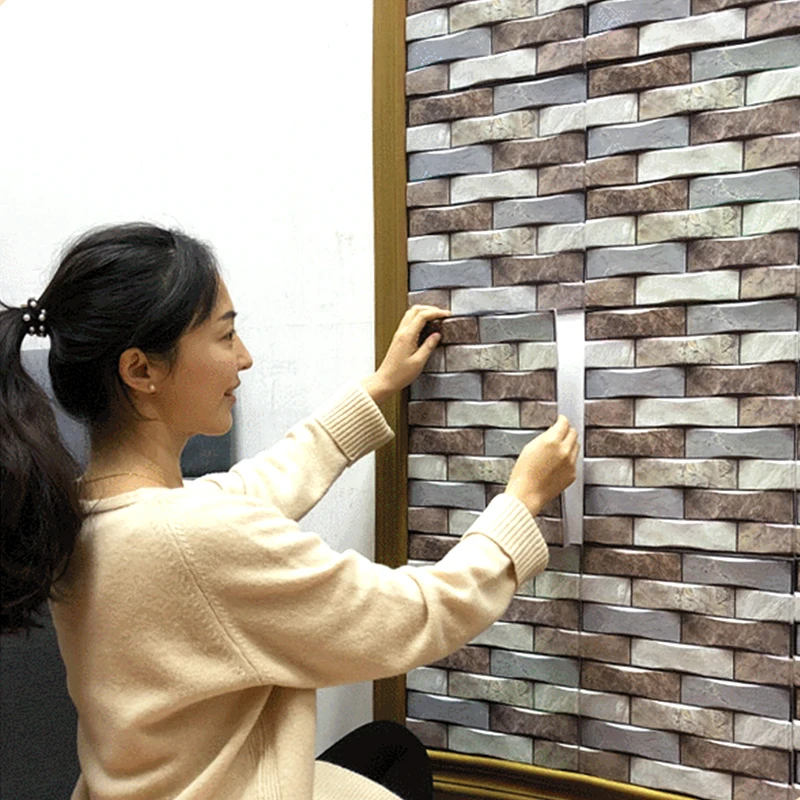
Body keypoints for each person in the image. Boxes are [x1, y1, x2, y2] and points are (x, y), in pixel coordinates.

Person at [0, 223, 578, 800]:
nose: (245, 358)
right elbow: (415, 615)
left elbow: (255, 487)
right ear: (141, 370)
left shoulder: (84, 512)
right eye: (226, 336)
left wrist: (379, 388)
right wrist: (521, 502)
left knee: (389, 749)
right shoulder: (191, 537)